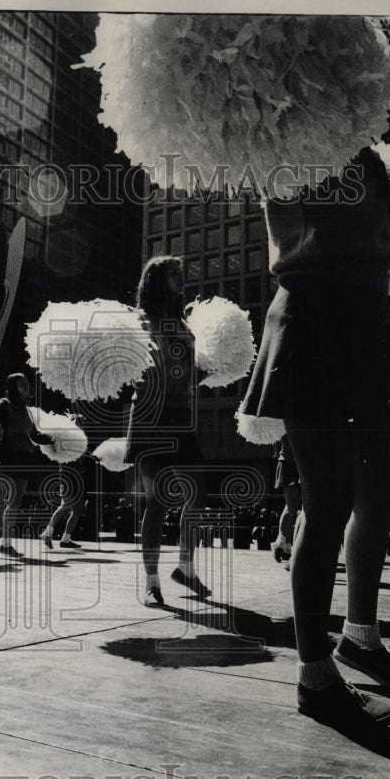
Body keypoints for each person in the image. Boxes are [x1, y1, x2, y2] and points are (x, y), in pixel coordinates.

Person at [240, 149, 390, 729]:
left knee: (377, 493)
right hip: (315, 318)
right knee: (326, 504)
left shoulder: (366, 155)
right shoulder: (298, 136)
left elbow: (376, 236)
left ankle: (361, 639)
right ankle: (315, 677)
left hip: (362, 323)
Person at [124, 256, 212, 606]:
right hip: (149, 416)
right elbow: (139, 367)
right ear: (157, 280)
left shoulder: (182, 321)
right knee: (158, 502)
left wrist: (205, 373)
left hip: (179, 415)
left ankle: (185, 567)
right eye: (174, 273)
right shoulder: (142, 319)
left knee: (199, 497)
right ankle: (151, 582)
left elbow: (187, 373)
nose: (181, 278)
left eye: (181, 272)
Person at [0, 373, 54, 559]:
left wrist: (52, 439)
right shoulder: (4, 404)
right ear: (12, 387)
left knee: (15, 504)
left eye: (27, 384)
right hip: (8, 457)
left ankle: (6, 545)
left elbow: (33, 435)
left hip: (25, 459)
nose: (26, 387)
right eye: (21, 385)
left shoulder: (27, 410)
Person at [272, 434, 301, 564]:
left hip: (290, 461)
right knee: (292, 506)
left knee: (291, 506)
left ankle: (285, 544)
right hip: (291, 461)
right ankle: (282, 544)